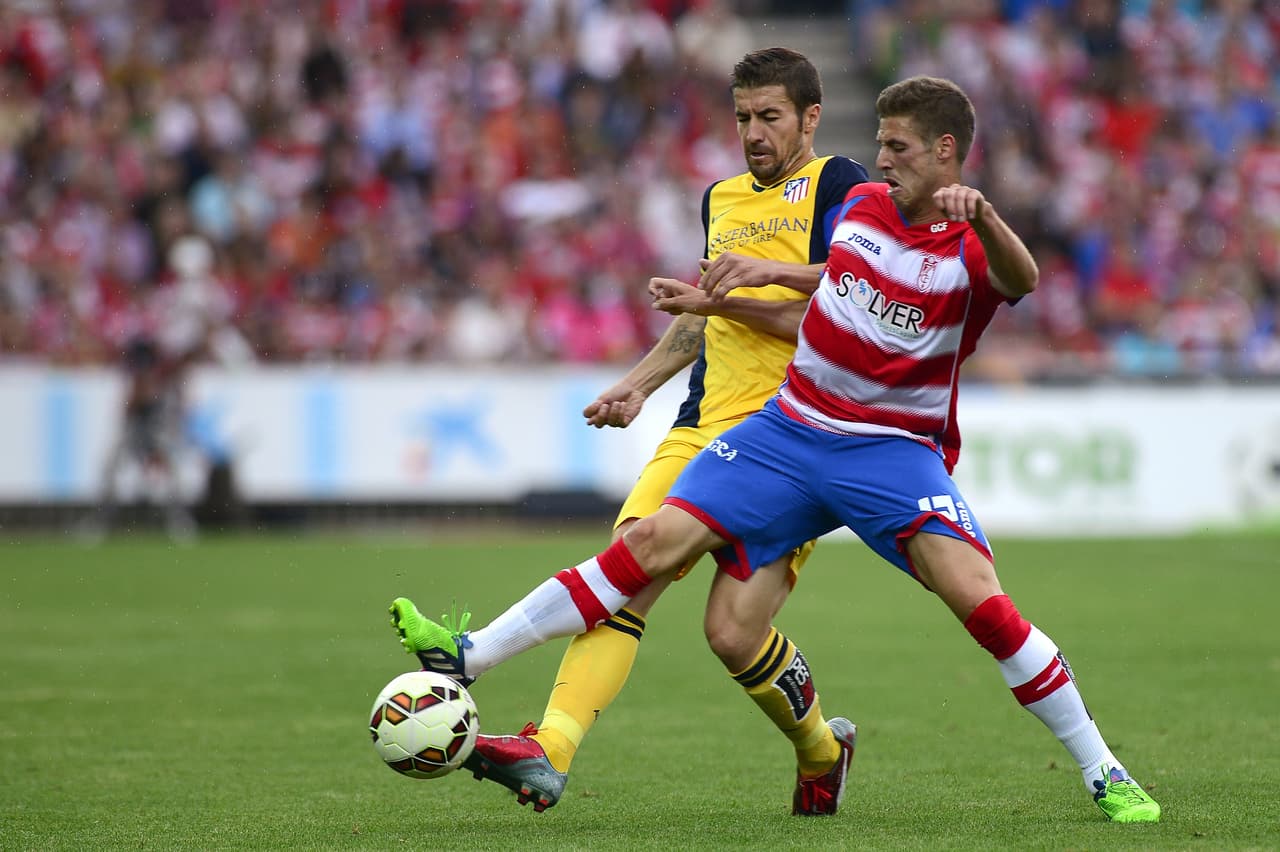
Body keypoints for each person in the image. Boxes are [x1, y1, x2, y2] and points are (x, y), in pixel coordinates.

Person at [393, 75, 1164, 823]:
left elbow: (1021, 279)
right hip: (787, 430)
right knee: (658, 548)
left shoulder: (969, 248)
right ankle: (474, 655)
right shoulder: (862, 204)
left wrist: (988, 217)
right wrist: (746, 281)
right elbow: (837, 275)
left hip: (891, 452)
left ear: (945, 151)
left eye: (896, 146)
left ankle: (1105, 770)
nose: (882, 159)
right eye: (881, 143)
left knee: (984, 607)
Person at [393, 47, 869, 815]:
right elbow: (703, 321)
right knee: (628, 571)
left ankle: (821, 750)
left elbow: (850, 296)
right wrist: (639, 384)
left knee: (732, 635)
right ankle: (548, 748)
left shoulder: (842, 185)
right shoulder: (721, 200)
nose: (753, 131)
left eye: (770, 116)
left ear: (811, 117)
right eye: (743, 116)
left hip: (792, 437)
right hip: (701, 425)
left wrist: (756, 278)